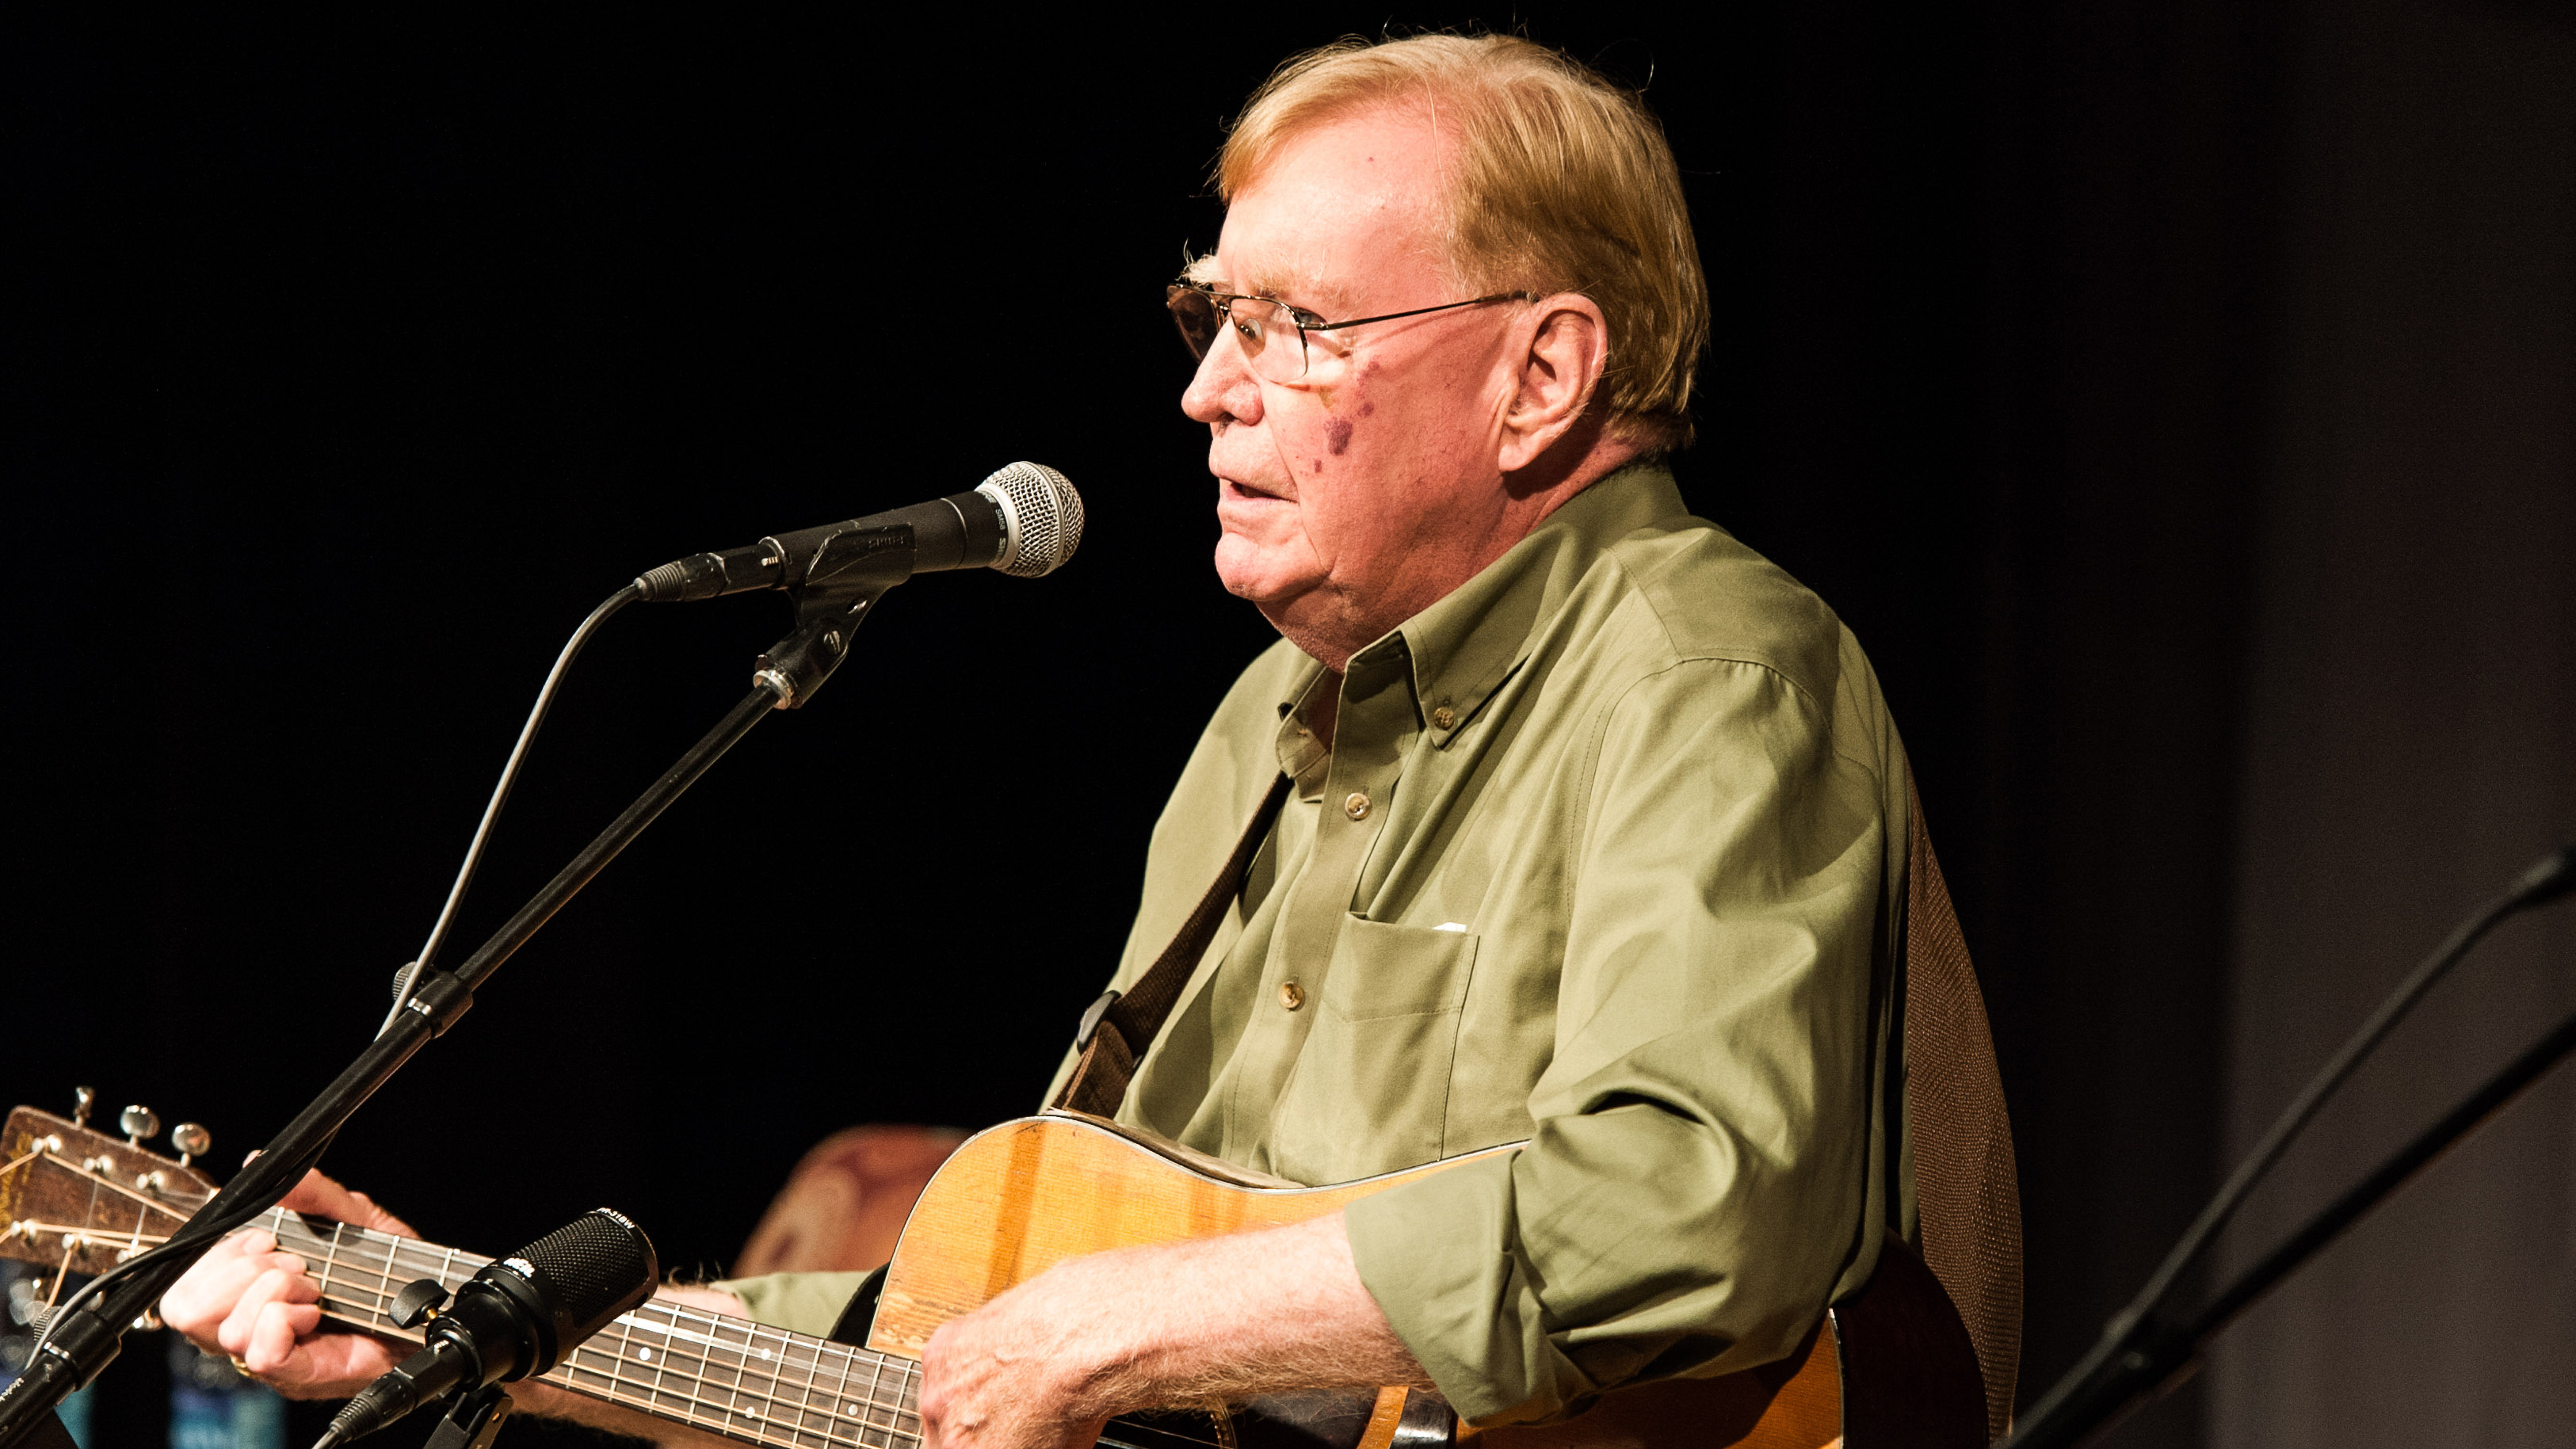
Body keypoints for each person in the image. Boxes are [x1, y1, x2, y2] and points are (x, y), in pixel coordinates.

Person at [164, 32, 1928, 1449]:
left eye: (1293, 327)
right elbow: (991, 1328)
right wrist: (492, 1327)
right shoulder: (1264, 725)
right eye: (1212, 316)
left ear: (1541, 378)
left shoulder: (1703, 673)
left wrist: (1133, 1325)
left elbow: (1695, 1208)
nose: (1207, 390)